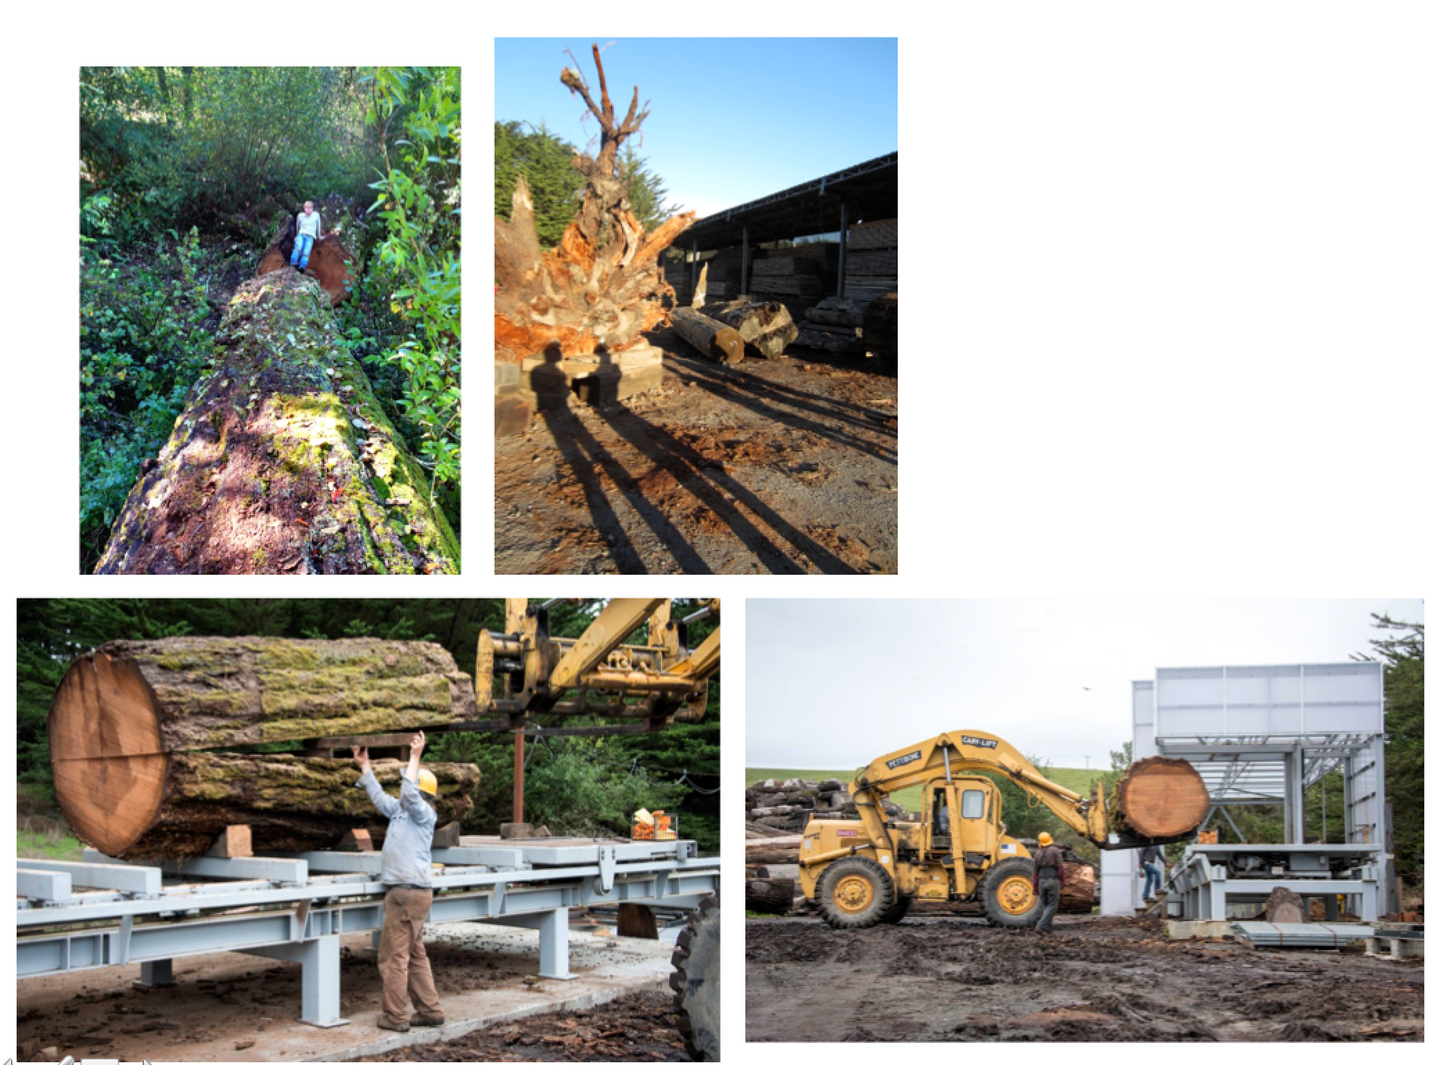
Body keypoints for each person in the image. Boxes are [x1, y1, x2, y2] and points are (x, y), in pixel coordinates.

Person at [353, 732, 445, 1033]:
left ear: (421, 792)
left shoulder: (423, 814)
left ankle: (396, 1017)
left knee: (393, 957)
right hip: (410, 894)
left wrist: (415, 757)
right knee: (415, 955)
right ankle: (430, 1011)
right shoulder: (401, 813)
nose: (406, 790)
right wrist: (365, 766)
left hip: (406, 895)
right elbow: (381, 798)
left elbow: (408, 793)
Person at [1031, 831, 1067, 933]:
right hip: (1052, 880)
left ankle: (1047, 928)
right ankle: (1041, 926)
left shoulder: (1037, 854)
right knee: (1052, 905)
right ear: (1050, 840)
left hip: (1041, 882)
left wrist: (1035, 887)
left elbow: (1035, 874)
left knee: (1045, 905)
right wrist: (1063, 881)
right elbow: (1060, 869)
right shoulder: (1055, 851)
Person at [290, 200, 321, 272]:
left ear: (312, 208)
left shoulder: (316, 215)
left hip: (310, 236)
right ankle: (293, 263)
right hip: (301, 234)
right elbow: (298, 226)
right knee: (298, 247)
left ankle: (302, 266)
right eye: (307, 208)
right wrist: (297, 235)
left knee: (306, 252)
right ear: (304, 208)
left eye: (310, 208)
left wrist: (319, 237)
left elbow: (318, 226)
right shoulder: (300, 216)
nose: (309, 209)